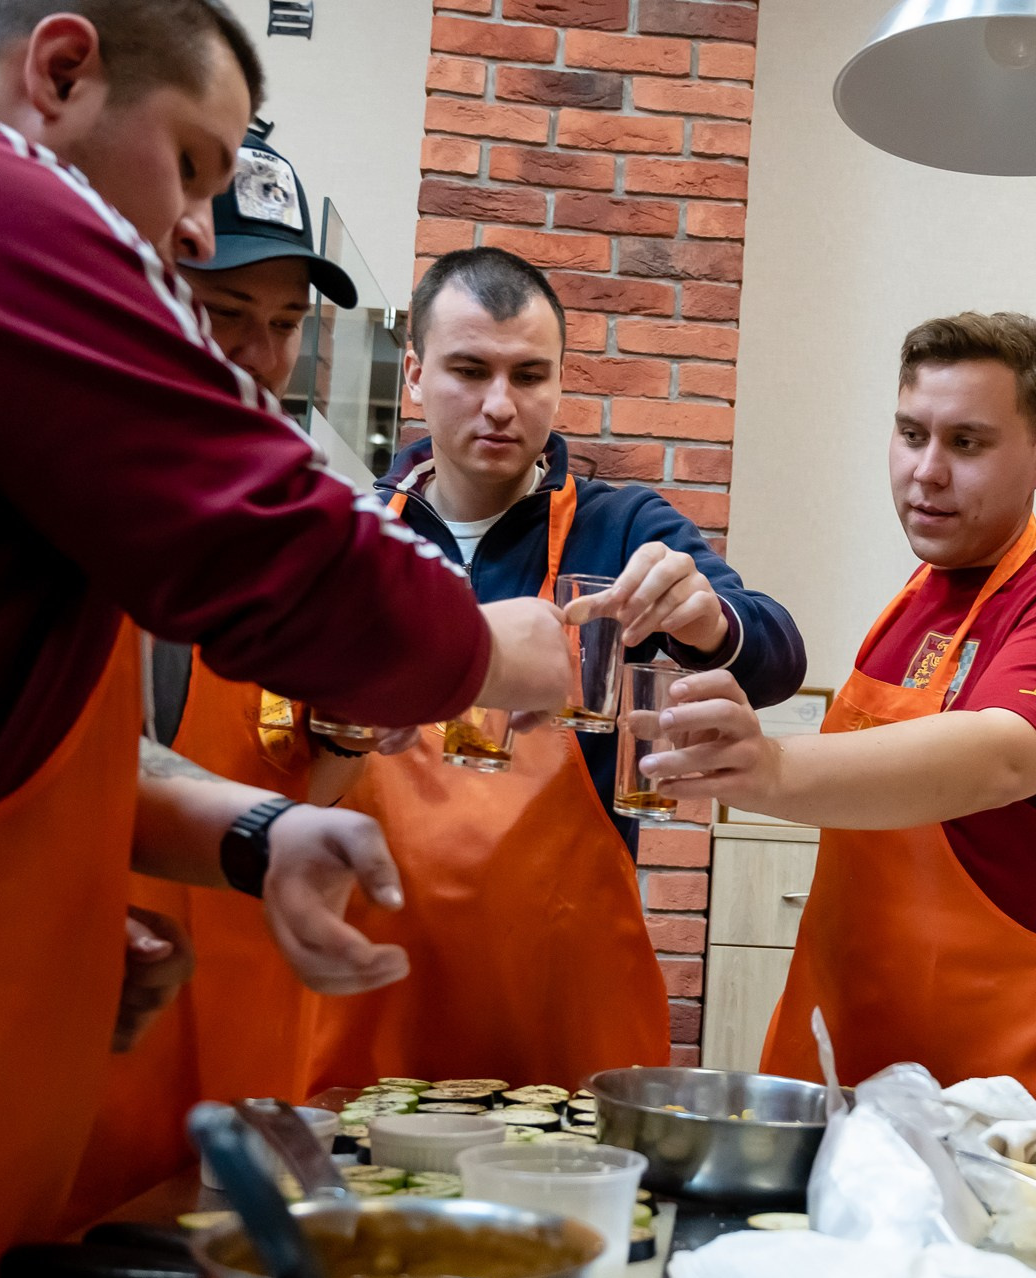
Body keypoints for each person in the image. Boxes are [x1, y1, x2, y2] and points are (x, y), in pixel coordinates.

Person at [0, 3, 571, 1278]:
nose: (194, 226)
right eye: (192, 165)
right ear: (60, 72)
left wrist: (253, 833)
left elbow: (4, 734)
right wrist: (485, 643)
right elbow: (281, 554)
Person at [301, 247, 808, 1090]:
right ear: (417, 377)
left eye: (530, 375)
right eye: (470, 369)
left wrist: (708, 619)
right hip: (367, 1002)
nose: (502, 404)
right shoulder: (344, 536)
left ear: (560, 384)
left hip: (568, 1013)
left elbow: (775, 655)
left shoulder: (620, 528)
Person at [634, 311, 1036, 1093]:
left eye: (966, 443)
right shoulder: (915, 601)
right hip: (851, 1047)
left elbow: (1001, 754)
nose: (928, 471)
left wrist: (770, 767)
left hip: (1014, 1068)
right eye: (912, 435)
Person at [61, 130, 390, 1229]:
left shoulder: (288, 514)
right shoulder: (57, 468)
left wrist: (340, 748)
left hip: (225, 1005)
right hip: (53, 991)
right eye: (224, 310)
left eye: (284, 323)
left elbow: (301, 789)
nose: (256, 353)